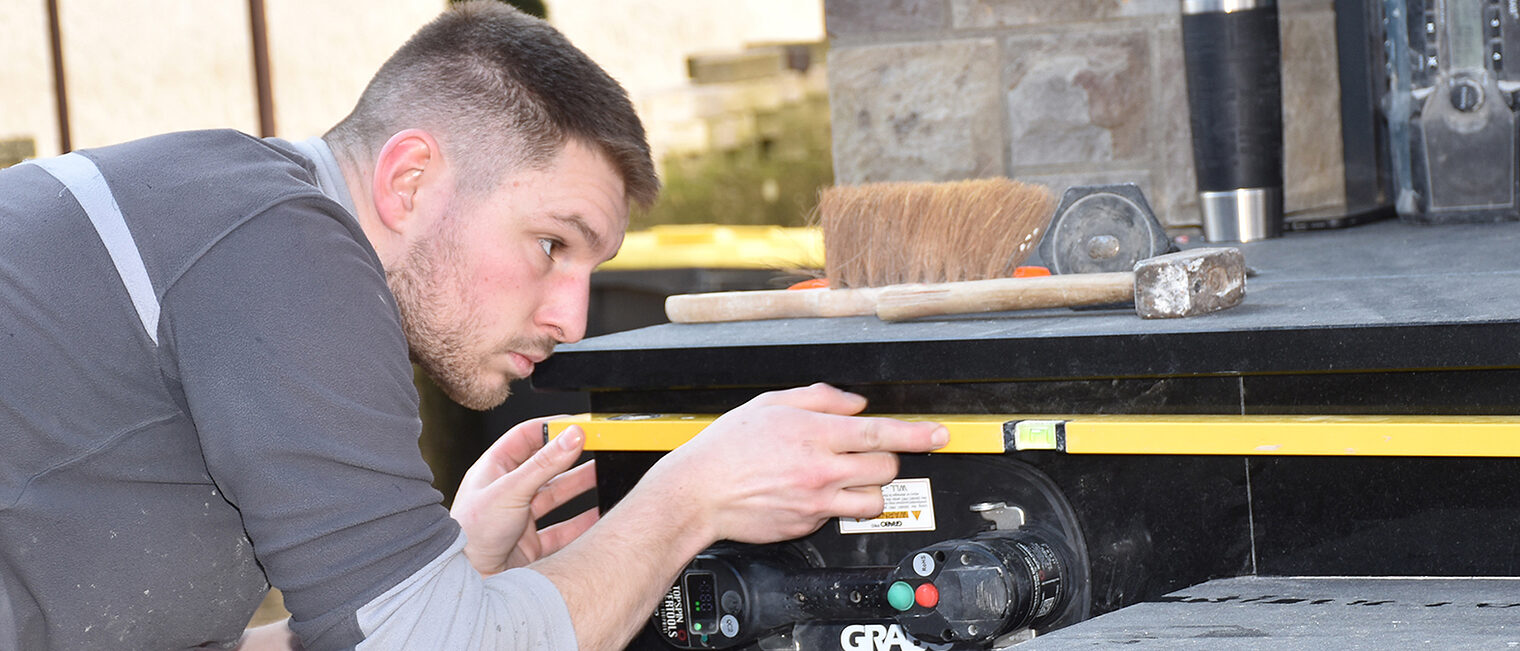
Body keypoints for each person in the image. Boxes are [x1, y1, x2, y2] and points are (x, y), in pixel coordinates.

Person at [0, 3, 948, 650]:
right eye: (550, 243)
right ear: (409, 180)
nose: (570, 318)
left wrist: (446, 575)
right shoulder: (279, 239)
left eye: (592, 270)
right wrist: (690, 496)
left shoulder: (221, 223)